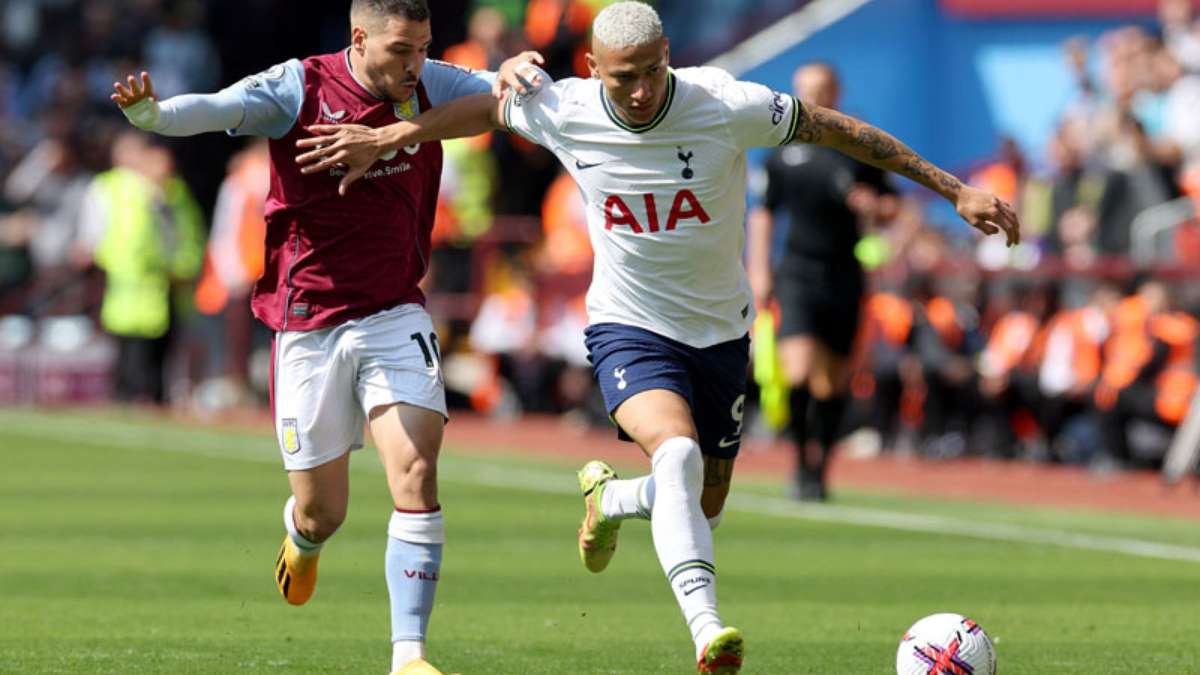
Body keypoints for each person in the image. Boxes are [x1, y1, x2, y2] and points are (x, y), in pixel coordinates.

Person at [294, 2, 1020, 671]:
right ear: (591, 71)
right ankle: (708, 629)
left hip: (720, 336)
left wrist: (954, 188)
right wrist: (398, 131)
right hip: (628, 327)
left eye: (650, 72)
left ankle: (611, 501)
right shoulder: (565, 107)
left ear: (668, 55)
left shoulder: (726, 102)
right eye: (623, 78)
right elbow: (486, 108)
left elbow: (837, 129)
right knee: (674, 452)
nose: (639, 91)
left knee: (701, 499)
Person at [109, 1, 541, 673]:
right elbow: (222, 107)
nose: (414, 63)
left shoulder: (428, 82)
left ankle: (409, 655)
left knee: (417, 468)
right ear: (359, 38)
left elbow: (494, 103)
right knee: (323, 512)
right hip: (308, 322)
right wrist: (157, 118)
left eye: (423, 48)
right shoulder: (300, 86)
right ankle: (301, 540)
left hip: (394, 310)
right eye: (400, 49)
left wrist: (504, 74)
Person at [745, 63, 900, 500]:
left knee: (831, 382)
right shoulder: (781, 149)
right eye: (805, 92)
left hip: (844, 272)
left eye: (821, 91)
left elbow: (893, 206)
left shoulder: (859, 147)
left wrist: (874, 206)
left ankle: (821, 469)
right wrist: (759, 268)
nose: (814, 100)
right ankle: (798, 462)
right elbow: (764, 212)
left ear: (836, 92)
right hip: (796, 270)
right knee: (797, 370)